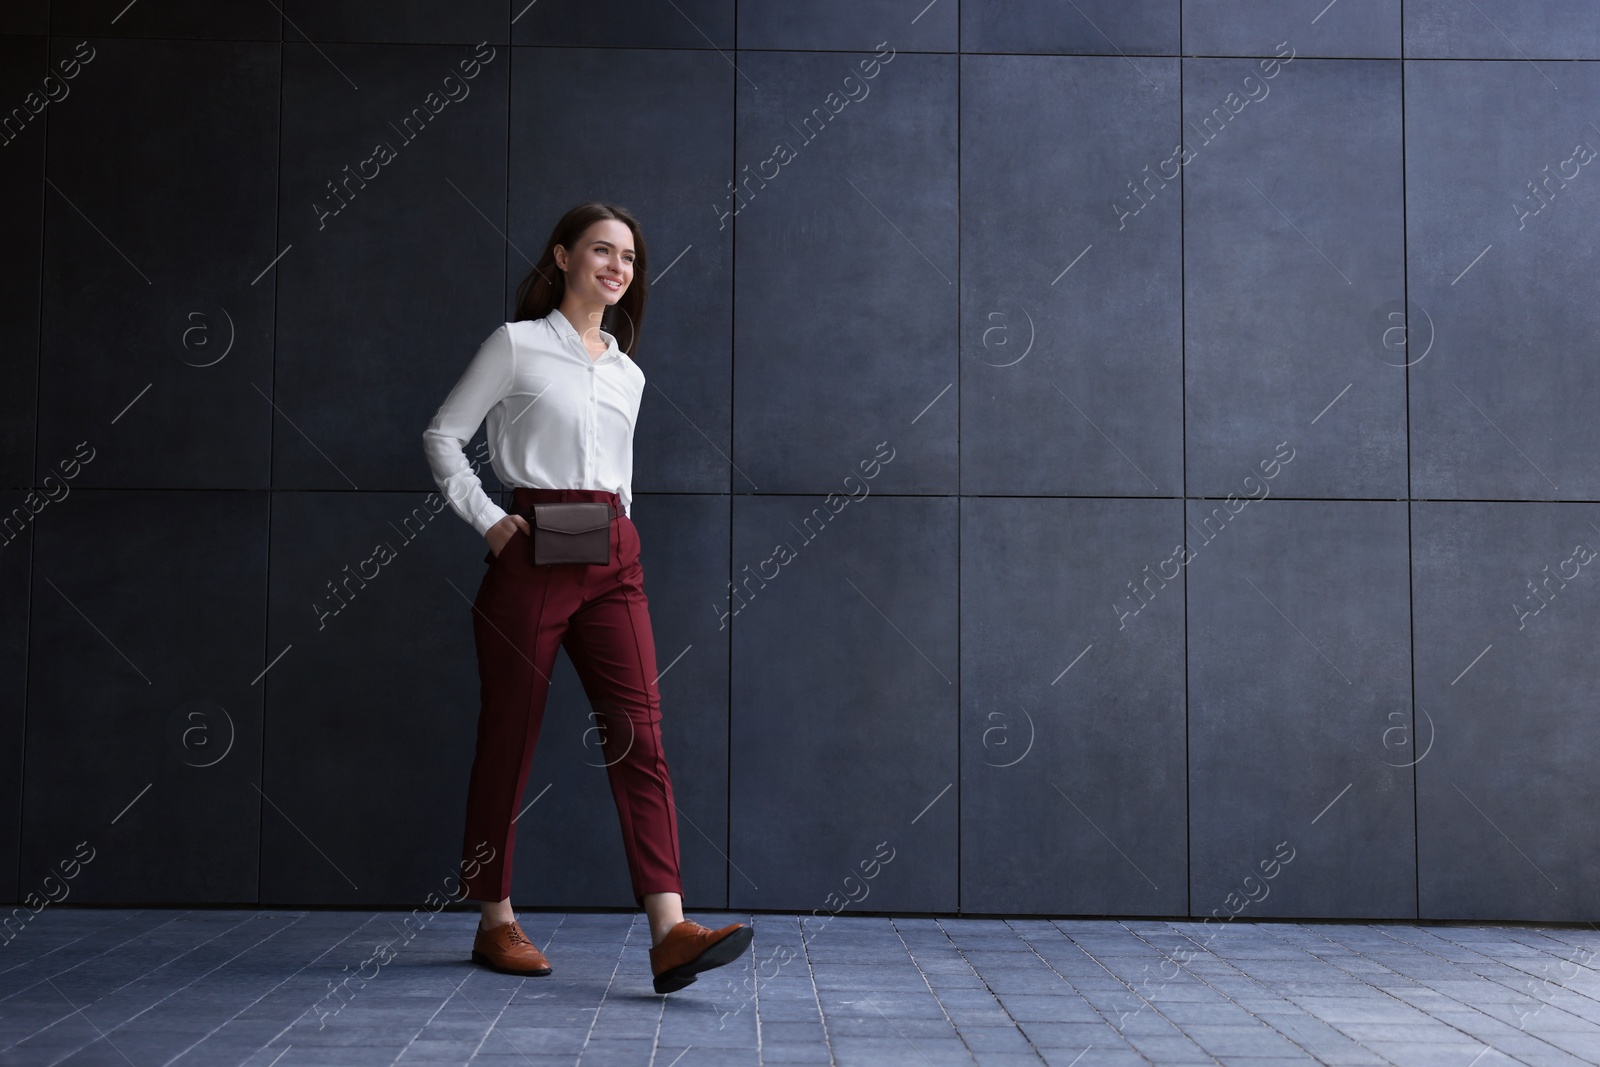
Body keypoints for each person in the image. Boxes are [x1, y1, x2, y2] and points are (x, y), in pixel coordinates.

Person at [421, 202, 752, 994]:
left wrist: (623, 525)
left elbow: (617, 471)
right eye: (601, 250)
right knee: (511, 735)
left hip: (613, 554)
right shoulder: (517, 344)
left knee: (641, 732)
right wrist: (494, 523)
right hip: (534, 543)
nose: (616, 267)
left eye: (629, 258)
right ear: (564, 255)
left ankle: (671, 931)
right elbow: (442, 434)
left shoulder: (628, 368)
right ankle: (495, 918)